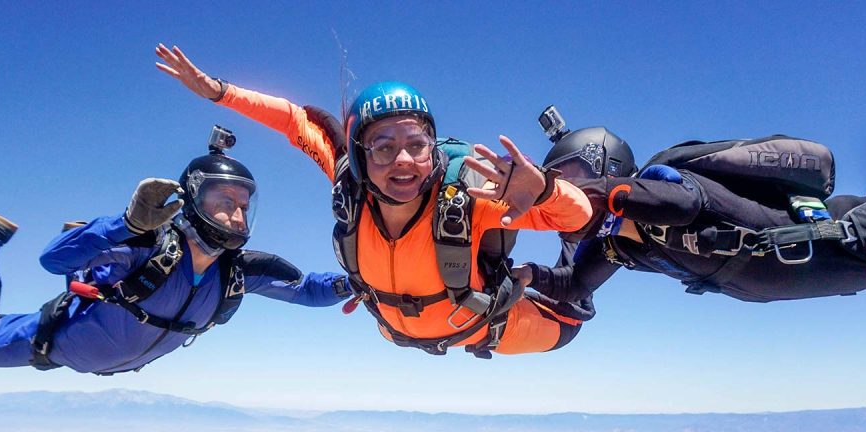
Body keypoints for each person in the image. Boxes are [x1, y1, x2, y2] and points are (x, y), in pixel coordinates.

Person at [156, 44, 593, 357]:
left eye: (417, 144)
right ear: (361, 155)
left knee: (573, 320)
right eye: (383, 147)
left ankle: (609, 214)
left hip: (490, 330)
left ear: (433, 148)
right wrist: (219, 91)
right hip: (399, 330)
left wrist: (545, 190)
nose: (403, 160)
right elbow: (295, 122)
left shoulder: (474, 193)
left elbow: (578, 217)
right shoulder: (351, 183)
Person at [0, 137, 351, 373]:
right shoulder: (148, 248)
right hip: (49, 343)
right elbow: (53, 262)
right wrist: (126, 225)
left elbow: (309, 291)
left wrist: (359, 281)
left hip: (90, 358)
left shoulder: (238, 274)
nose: (237, 213)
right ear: (193, 199)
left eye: (245, 205)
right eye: (225, 200)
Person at [514, 122, 866, 303]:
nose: (566, 189)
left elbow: (683, 206)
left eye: (574, 176)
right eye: (563, 181)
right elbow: (575, 285)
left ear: (609, 171)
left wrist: (555, 193)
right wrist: (528, 275)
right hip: (858, 264)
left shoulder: (666, 182)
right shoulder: (620, 246)